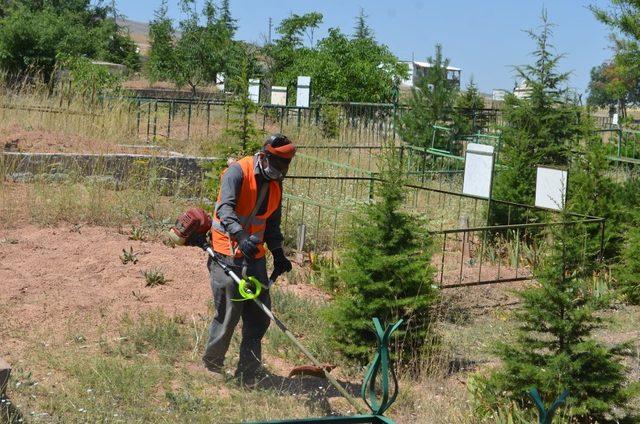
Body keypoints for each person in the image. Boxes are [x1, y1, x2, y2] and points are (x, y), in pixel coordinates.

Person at [192, 133, 295, 384]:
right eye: (278, 165)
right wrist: (239, 235)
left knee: (260, 314)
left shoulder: (275, 183)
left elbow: (272, 224)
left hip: (255, 254)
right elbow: (224, 209)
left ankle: (248, 372)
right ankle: (212, 365)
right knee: (229, 308)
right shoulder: (237, 172)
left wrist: (279, 254)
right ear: (264, 156)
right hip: (226, 248)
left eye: (285, 168)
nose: (281, 172)